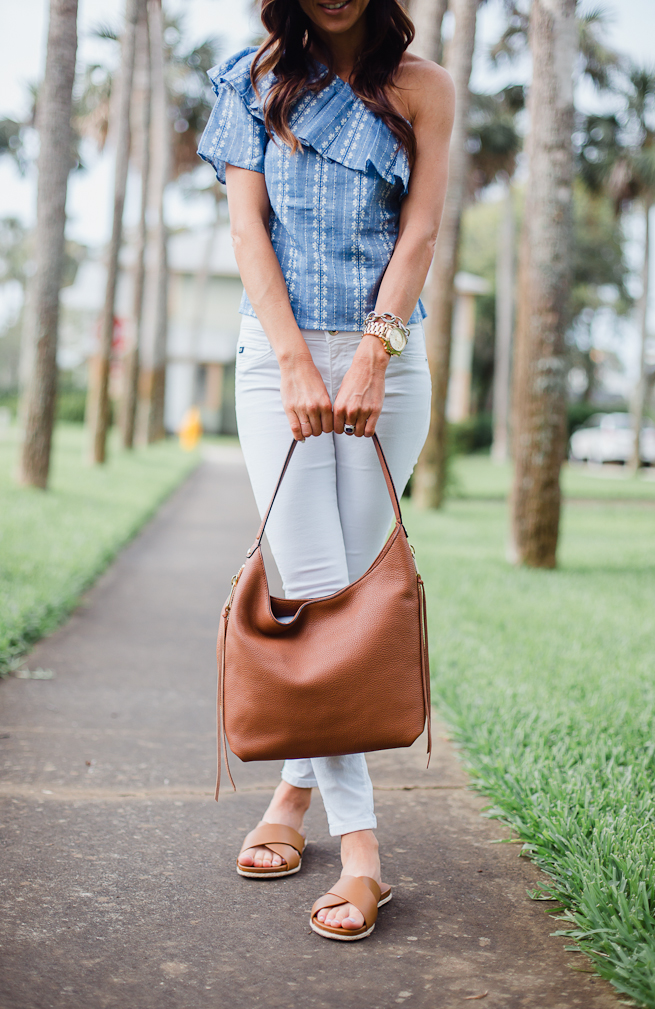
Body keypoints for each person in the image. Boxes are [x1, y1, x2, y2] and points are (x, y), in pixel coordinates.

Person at [198, 0, 454, 940]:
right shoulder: (248, 80)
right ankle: (363, 858)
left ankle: (291, 802)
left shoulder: (424, 89)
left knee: (353, 589)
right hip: (277, 360)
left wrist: (374, 356)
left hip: (389, 361)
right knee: (310, 581)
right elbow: (246, 233)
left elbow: (418, 234)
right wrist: (299, 359)